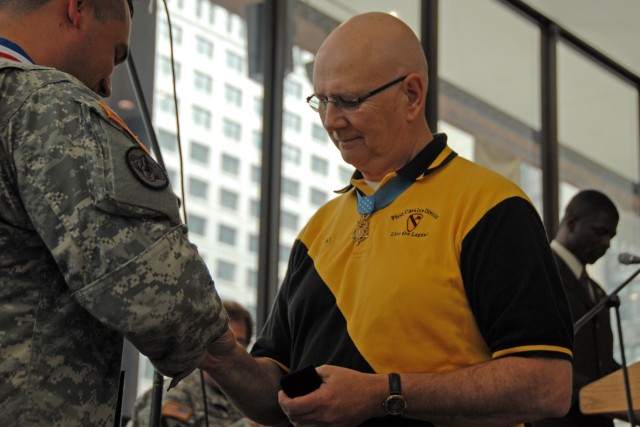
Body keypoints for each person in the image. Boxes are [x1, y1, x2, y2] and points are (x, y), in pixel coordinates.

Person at [199, 12, 574, 427]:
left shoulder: (491, 206)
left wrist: (385, 394)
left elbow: (547, 385)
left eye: (348, 100)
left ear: (412, 95)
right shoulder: (317, 230)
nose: (330, 120)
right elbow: (276, 400)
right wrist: (221, 357)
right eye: (321, 100)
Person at [0, 1, 229, 426]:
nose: (107, 84)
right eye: (116, 53)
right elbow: (155, 290)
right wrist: (244, 374)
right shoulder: (42, 102)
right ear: (77, 10)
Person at [534, 190, 620, 427]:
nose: (607, 244)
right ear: (571, 223)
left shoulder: (597, 291)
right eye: (601, 232)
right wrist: (597, 393)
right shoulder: (540, 273)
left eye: (611, 236)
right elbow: (536, 355)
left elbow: (600, 360)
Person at [128, 301, 261, 427]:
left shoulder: (250, 398)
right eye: (222, 341)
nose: (231, 349)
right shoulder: (177, 394)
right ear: (205, 342)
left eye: (240, 342)